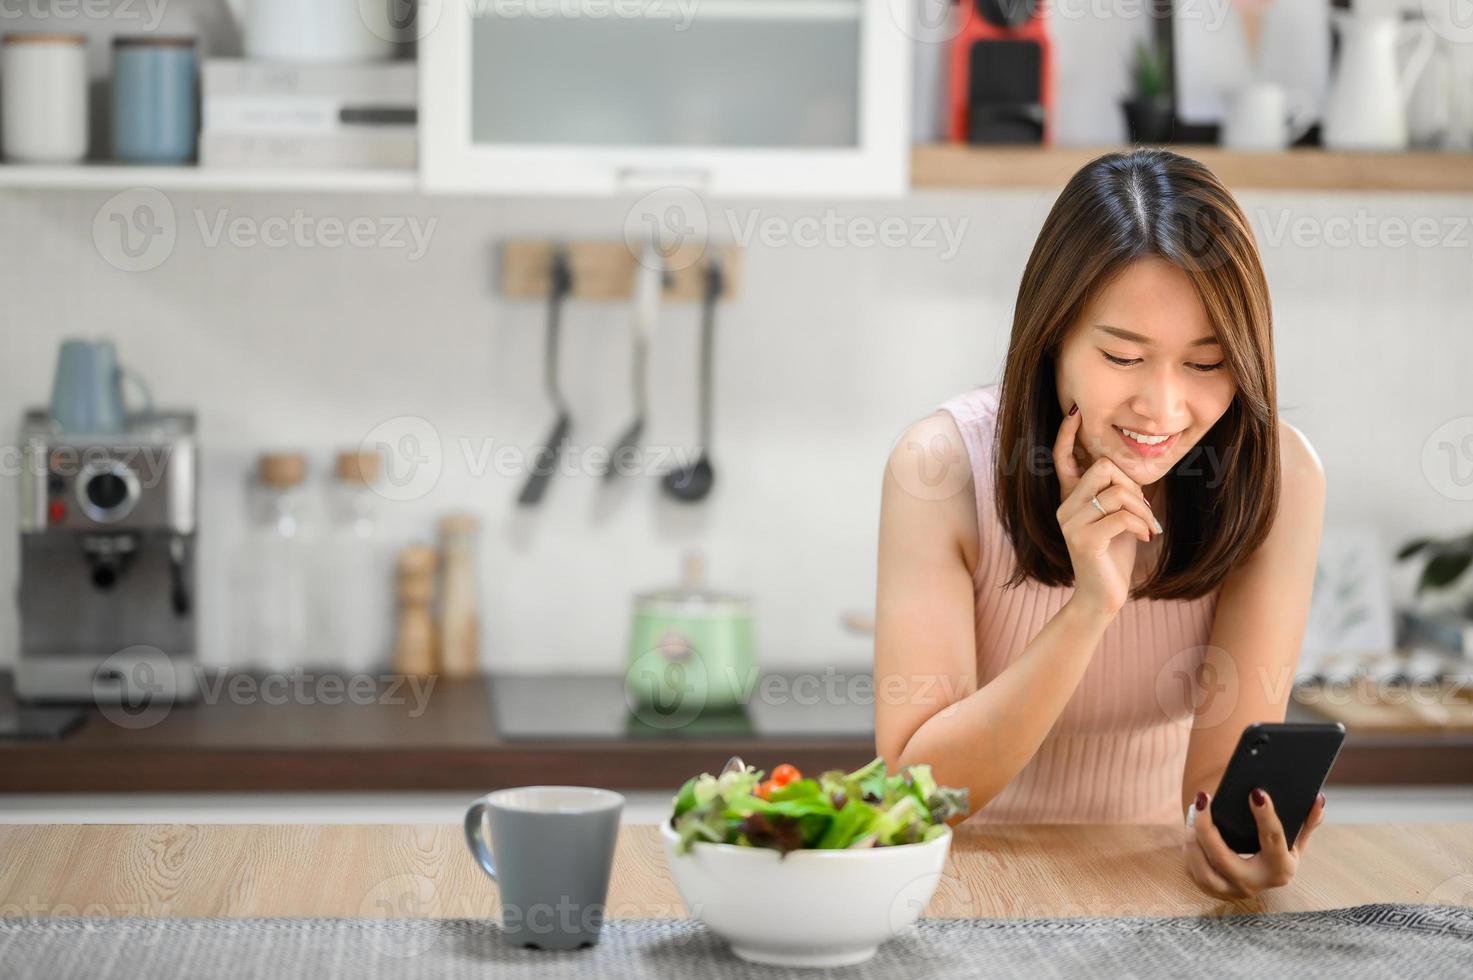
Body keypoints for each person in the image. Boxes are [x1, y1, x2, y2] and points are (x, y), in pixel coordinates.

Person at [874, 147, 1327, 901]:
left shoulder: (1276, 478)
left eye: (1205, 364)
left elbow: (1216, 789)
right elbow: (915, 796)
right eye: (1123, 356)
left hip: (1150, 891)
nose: (1162, 406)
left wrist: (1233, 846)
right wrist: (1089, 608)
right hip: (953, 891)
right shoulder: (941, 470)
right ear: (1052, 337)